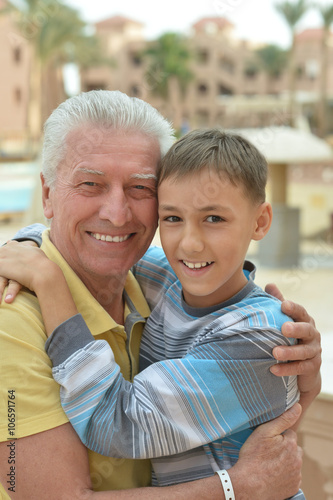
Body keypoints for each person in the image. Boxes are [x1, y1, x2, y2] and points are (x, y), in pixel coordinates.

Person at [0, 91, 321, 499]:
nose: (117, 214)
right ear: (47, 195)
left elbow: (118, 422)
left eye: (139, 188)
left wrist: (305, 374)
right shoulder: (11, 319)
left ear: (260, 222)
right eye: (90, 184)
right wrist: (236, 488)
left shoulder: (154, 280)